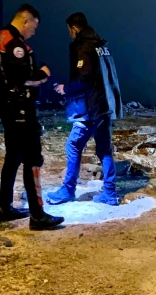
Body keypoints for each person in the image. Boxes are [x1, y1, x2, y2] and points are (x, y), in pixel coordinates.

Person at [0, 3, 64, 229]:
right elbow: (21, 79)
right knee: (32, 158)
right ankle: (37, 215)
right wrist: (43, 74)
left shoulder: (2, 39)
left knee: (13, 157)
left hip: (10, 107)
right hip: (19, 109)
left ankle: (5, 208)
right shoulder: (14, 44)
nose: (34, 31)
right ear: (26, 20)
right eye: (34, 26)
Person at [47, 12, 123, 206]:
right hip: (105, 105)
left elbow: (85, 78)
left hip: (91, 108)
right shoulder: (101, 46)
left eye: (69, 30)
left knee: (73, 145)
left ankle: (68, 190)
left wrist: (66, 89)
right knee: (104, 150)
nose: (70, 34)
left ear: (73, 28)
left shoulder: (84, 46)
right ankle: (110, 193)